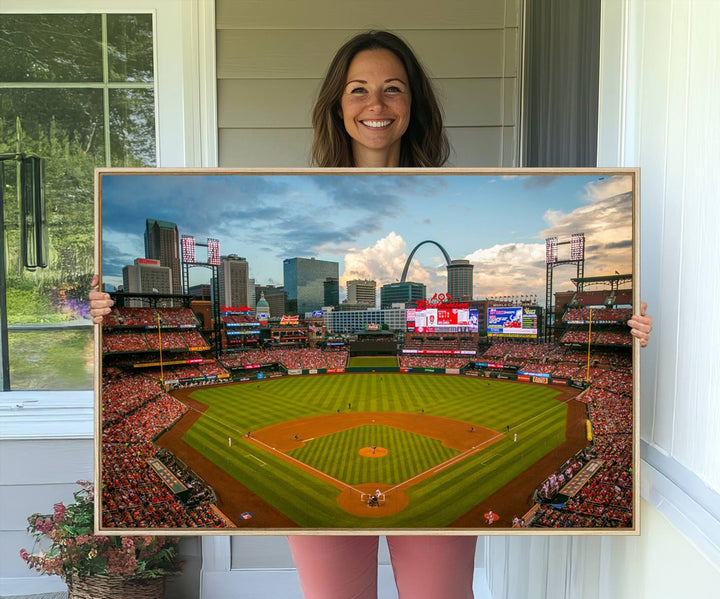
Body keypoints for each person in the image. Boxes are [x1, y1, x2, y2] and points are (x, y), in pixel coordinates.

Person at [88, 29, 654, 599]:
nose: (375, 105)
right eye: (358, 89)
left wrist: (625, 330)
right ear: (338, 104)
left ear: (413, 104)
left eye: (393, 89)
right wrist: (102, 310)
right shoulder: (303, 186)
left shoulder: (458, 187)